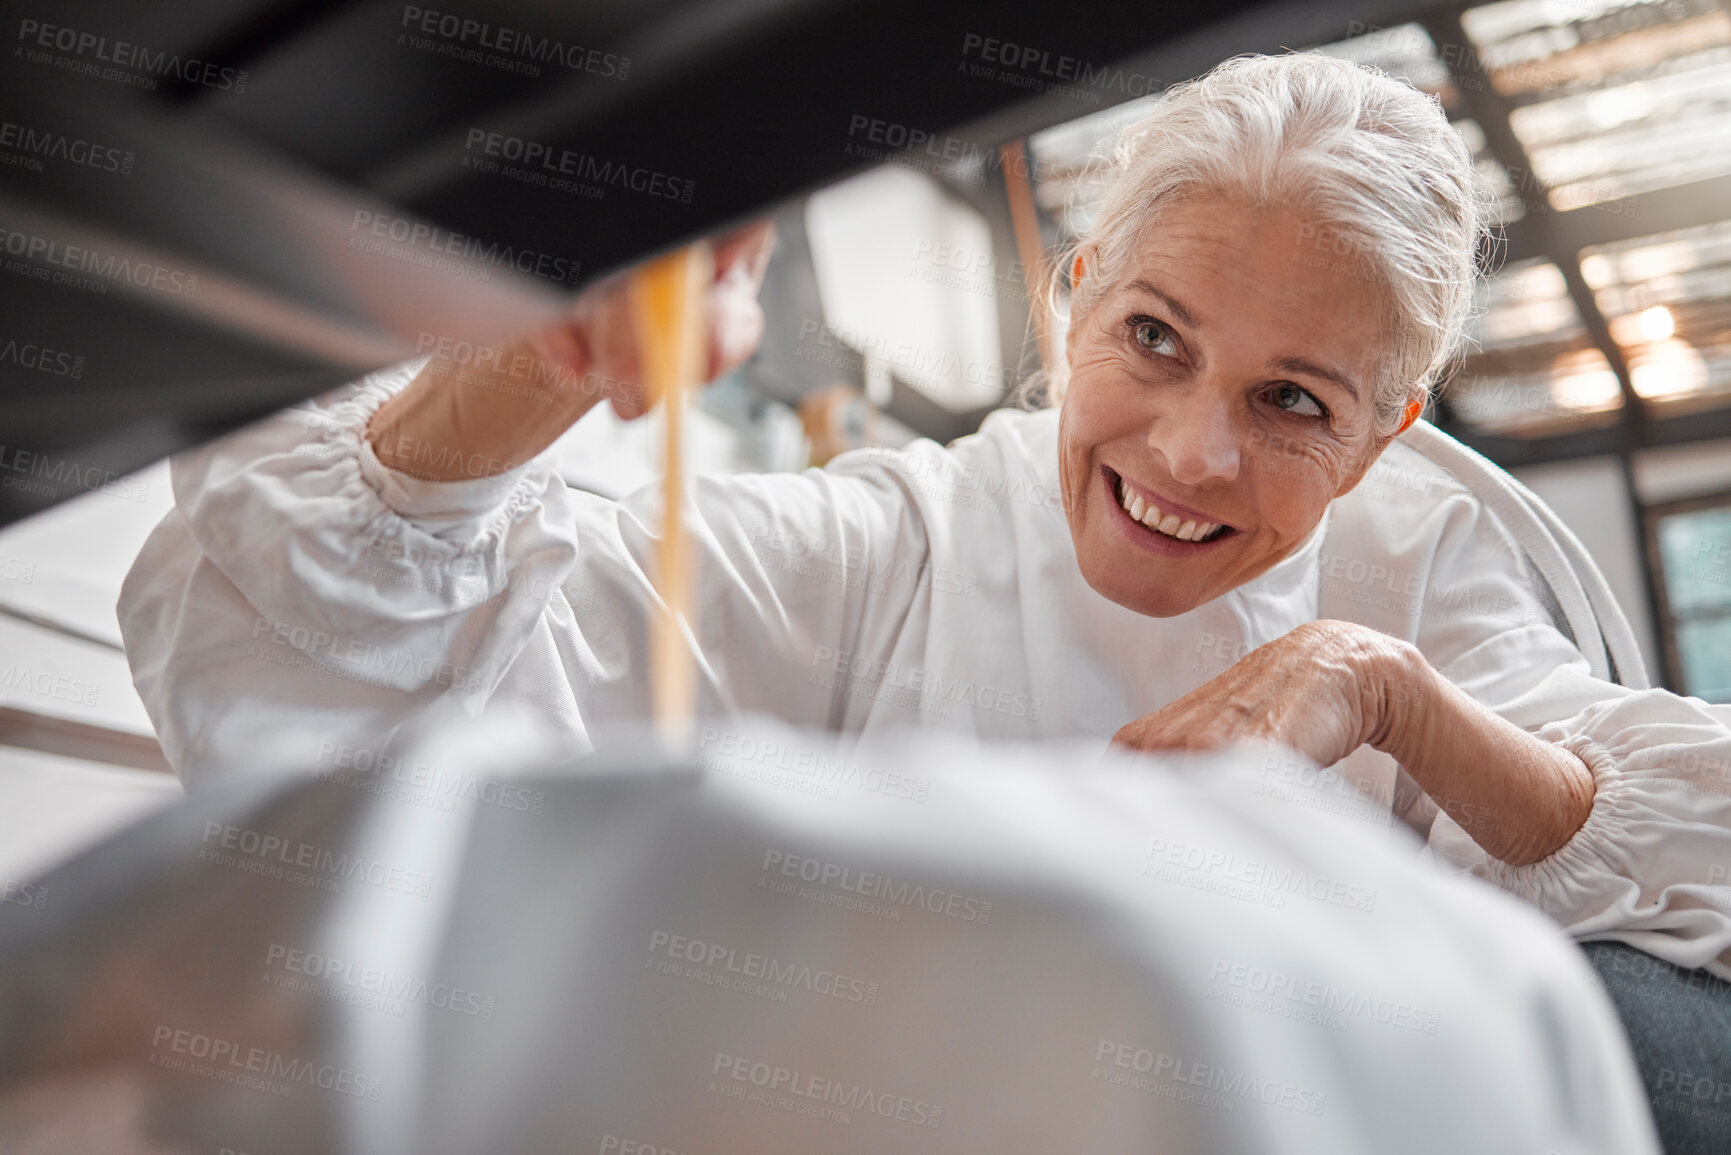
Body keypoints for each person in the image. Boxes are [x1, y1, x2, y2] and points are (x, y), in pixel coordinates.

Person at [120, 53, 1731, 980]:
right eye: (1154, 340)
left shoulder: (1423, 560)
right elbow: (385, 639)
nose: (1189, 454)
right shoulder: (906, 539)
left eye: (1293, 403)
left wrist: (1369, 682)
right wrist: (549, 348)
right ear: (1074, 300)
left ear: (1385, 438)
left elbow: (1668, 834)